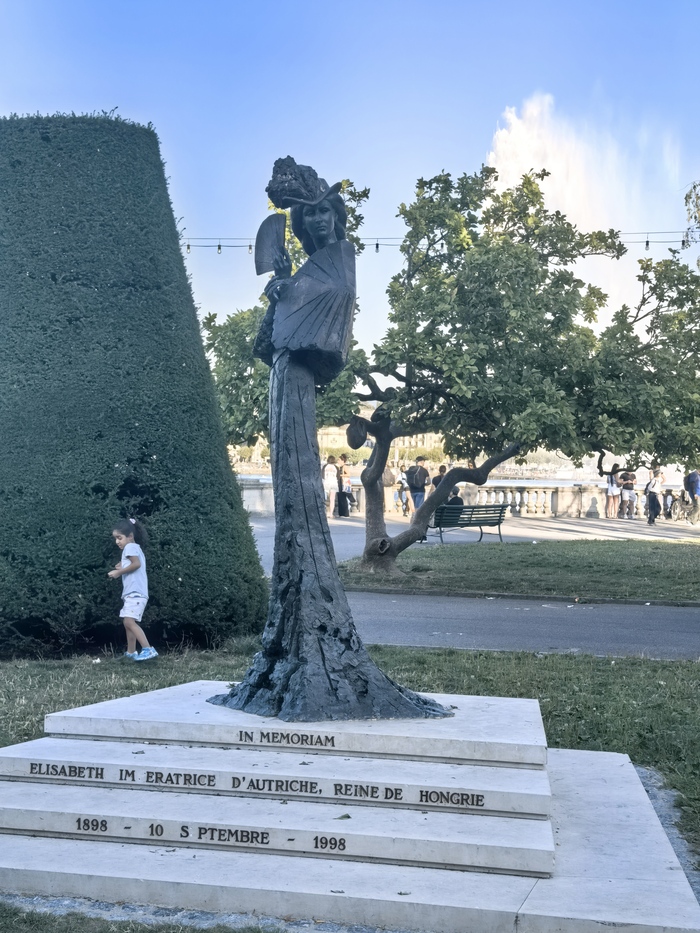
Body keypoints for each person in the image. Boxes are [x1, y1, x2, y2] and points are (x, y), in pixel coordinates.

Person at [108, 518, 157, 661]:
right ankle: (131, 652)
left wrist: (118, 572)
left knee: (129, 622)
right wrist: (122, 566)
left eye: (119, 538)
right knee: (127, 622)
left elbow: (136, 565)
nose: (117, 541)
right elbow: (134, 564)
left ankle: (148, 649)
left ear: (130, 536)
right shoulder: (135, 547)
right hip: (134, 592)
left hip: (135, 592)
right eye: (115, 538)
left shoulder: (129, 547)